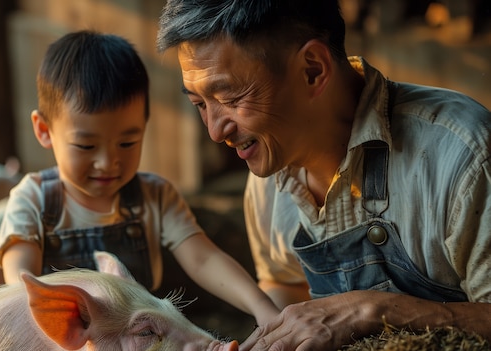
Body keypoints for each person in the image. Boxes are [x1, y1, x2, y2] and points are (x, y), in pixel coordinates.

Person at [156, 1, 491, 350]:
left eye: (229, 97)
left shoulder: (461, 154)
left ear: (313, 70)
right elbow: (284, 287)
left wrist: (373, 310)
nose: (214, 131)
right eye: (199, 104)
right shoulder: (267, 183)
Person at [0, 30, 279, 328]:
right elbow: (20, 286)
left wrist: (261, 306)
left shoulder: (155, 196)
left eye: (127, 143)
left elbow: (203, 260)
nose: (108, 162)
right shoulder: (32, 200)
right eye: (86, 146)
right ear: (43, 129)